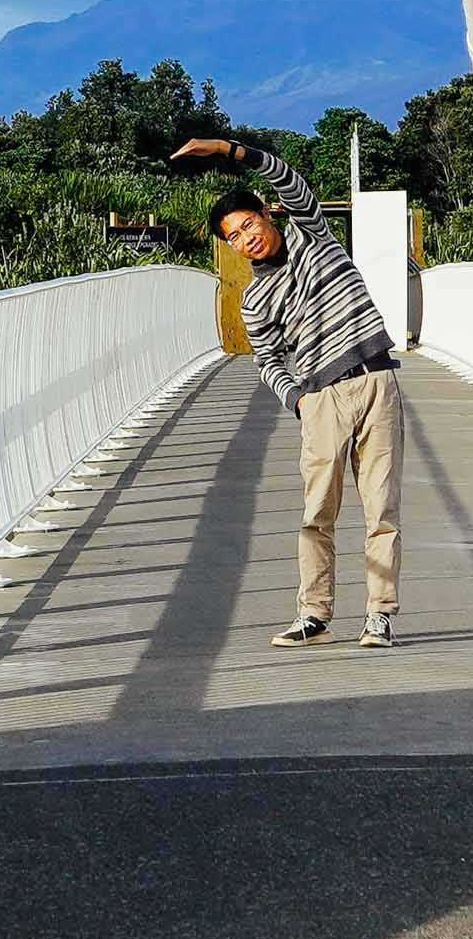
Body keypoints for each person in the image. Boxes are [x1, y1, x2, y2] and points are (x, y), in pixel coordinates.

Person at [171, 135, 404, 648]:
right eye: (233, 236)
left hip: (375, 379)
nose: (246, 239)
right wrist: (296, 399)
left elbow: (286, 177)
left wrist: (227, 150)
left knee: (380, 509)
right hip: (320, 398)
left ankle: (379, 615)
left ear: (267, 214)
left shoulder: (312, 235)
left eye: (249, 224)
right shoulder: (255, 300)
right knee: (317, 511)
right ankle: (314, 613)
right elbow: (268, 359)